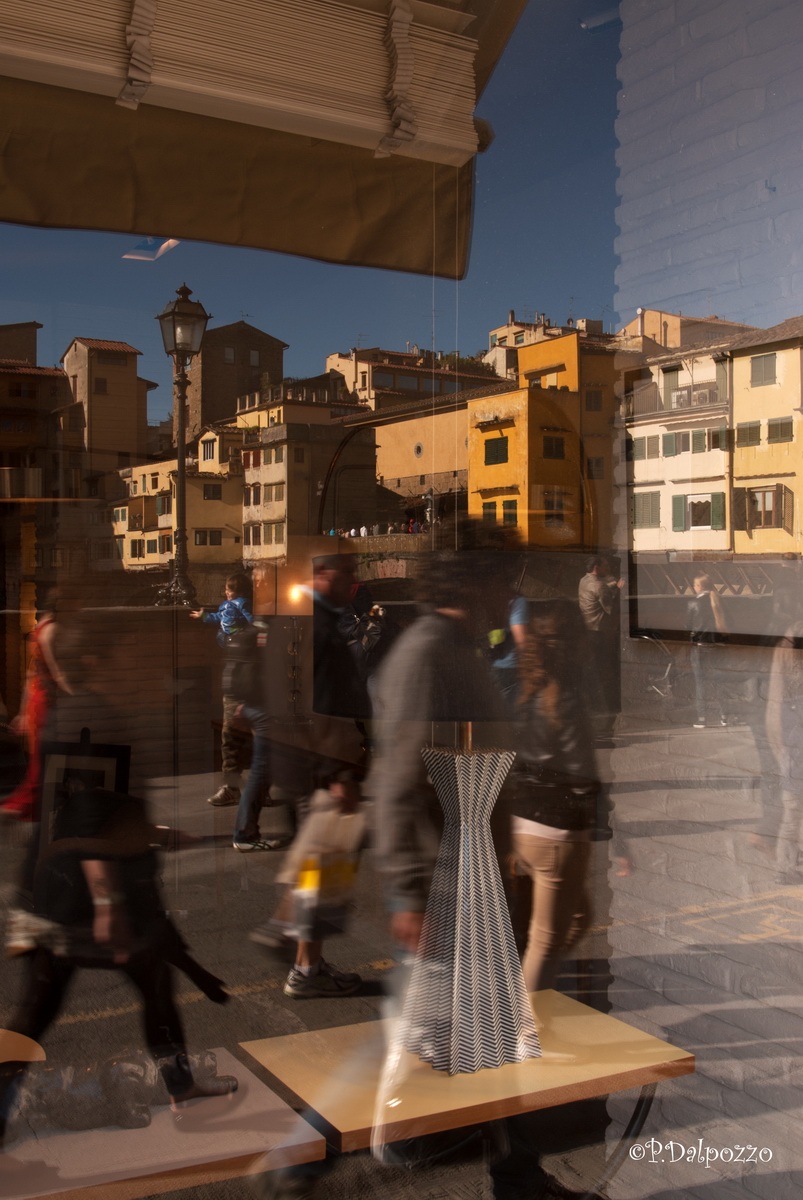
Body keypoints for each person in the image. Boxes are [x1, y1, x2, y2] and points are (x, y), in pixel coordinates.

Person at [510, 601, 598, 992]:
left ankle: (528, 998)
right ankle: (528, 1026)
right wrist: (602, 822)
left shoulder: (525, 694)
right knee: (545, 943)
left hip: (523, 827)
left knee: (578, 915)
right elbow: (581, 774)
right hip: (557, 833)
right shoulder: (566, 700)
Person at [1, 590, 75, 821]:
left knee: (41, 756)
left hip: (37, 698)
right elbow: (57, 672)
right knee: (43, 757)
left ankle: (26, 804)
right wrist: (77, 696)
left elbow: (32, 672)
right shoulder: (52, 629)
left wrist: (23, 711)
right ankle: (24, 805)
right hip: (45, 701)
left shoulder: (41, 626)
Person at [190, 572, 254, 807]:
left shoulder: (248, 613)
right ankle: (233, 787)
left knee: (259, 739)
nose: (226, 592)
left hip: (252, 681)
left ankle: (259, 788)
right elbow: (217, 617)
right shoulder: (229, 608)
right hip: (235, 680)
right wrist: (204, 615)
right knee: (229, 735)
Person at [577, 556, 623, 735]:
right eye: (605, 567)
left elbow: (598, 588)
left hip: (587, 630)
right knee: (606, 669)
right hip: (601, 633)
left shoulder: (583, 581)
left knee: (592, 669)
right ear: (597, 567)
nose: (608, 569)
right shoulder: (600, 587)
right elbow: (611, 608)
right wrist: (618, 590)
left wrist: (611, 585)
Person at [687, 572, 727, 728]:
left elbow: (687, 626)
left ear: (699, 586)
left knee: (700, 682)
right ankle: (724, 716)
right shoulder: (718, 600)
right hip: (716, 647)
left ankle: (702, 718)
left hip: (699, 647)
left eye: (695, 585)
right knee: (718, 681)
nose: (694, 587)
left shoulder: (693, 603)